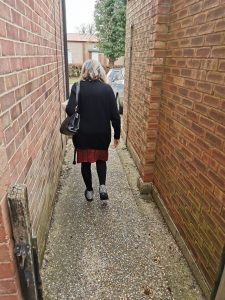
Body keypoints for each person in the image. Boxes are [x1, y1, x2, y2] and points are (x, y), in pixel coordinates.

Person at [66, 59, 121, 202]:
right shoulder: (107, 89)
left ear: (84, 71)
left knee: (86, 163)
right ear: (100, 71)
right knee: (101, 160)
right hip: (101, 135)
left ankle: (89, 191)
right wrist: (117, 135)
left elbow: (70, 110)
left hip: (83, 135)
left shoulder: (77, 87)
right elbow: (115, 116)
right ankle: (102, 186)